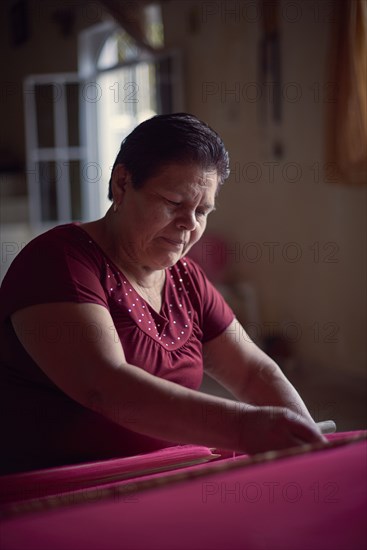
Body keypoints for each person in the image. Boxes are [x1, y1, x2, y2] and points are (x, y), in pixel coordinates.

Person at [0, 113, 325, 474]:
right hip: (61, 492)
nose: (189, 224)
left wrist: (305, 441)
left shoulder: (187, 279)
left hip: (164, 477)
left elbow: (252, 371)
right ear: (122, 184)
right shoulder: (60, 260)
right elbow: (105, 386)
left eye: (202, 211)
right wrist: (244, 427)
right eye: (173, 203)